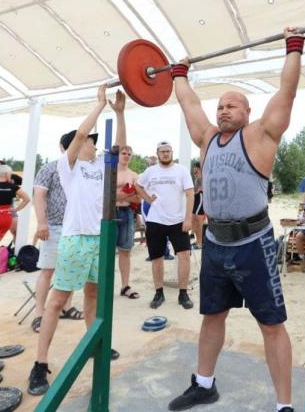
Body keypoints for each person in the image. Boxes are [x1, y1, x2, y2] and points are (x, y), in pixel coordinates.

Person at [166, 27, 304, 412]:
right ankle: (204, 384)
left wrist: (293, 48)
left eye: (232, 105)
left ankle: (284, 406)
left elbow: (287, 91)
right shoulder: (207, 138)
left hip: (253, 243)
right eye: (221, 106)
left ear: (247, 112)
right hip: (215, 243)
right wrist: (179, 73)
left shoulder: (261, 135)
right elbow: (189, 104)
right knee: (212, 316)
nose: (223, 110)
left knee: (270, 324)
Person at [27, 85, 123, 396]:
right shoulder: (67, 167)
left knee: (93, 296)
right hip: (75, 239)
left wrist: (120, 113)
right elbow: (81, 134)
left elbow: (119, 149)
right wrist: (100, 105)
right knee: (58, 300)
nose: (93, 144)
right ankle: (40, 363)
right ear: (77, 146)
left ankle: (95, 343)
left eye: (94, 141)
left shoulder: (100, 168)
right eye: (90, 141)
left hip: (100, 239)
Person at [134, 142, 194, 310]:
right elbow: (138, 185)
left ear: (172, 152)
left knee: (184, 255)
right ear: (158, 153)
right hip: (156, 220)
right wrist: (147, 199)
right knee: (157, 258)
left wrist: (188, 218)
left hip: (178, 220)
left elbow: (190, 194)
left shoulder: (181, 170)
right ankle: (159, 293)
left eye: (168, 151)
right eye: (162, 151)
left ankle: (183, 293)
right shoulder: (150, 171)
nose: (166, 154)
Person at [31, 137, 81, 332]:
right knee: (48, 271)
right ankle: (39, 314)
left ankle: (67, 307)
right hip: (54, 227)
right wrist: (42, 223)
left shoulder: (82, 169)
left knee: (70, 270)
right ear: (62, 147)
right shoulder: (50, 168)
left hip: (75, 228)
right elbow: (39, 195)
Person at [115, 140, 141, 300]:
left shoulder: (134, 175)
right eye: (124, 153)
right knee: (106, 251)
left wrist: (121, 195)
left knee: (125, 251)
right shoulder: (111, 172)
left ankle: (125, 285)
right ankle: (102, 284)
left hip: (127, 213)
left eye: (129, 154)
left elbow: (138, 198)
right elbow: (107, 195)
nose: (127, 156)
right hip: (110, 213)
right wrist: (126, 195)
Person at [191, 162, 205, 249]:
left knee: (199, 222)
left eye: (195, 168)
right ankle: (197, 241)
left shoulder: (200, 178)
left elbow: (196, 191)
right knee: (194, 220)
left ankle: (200, 243)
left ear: (198, 168)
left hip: (200, 199)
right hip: (196, 199)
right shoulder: (197, 178)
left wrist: (189, 192)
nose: (193, 169)